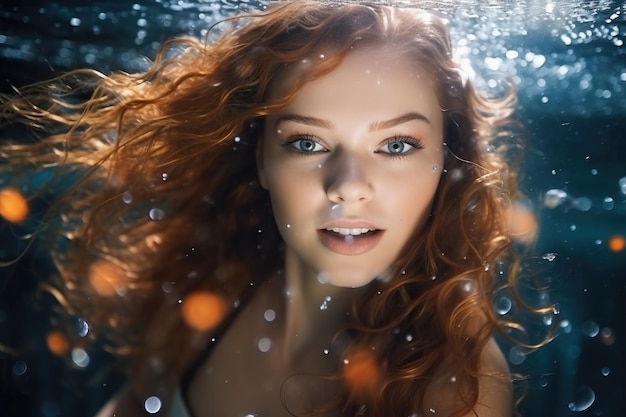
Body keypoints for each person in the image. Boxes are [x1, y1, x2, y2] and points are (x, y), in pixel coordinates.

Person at [0, 1, 546, 416]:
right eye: (307, 143)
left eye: (397, 145)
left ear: (445, 164)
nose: (348, 188)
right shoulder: (210, 290)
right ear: (262, 160)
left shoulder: (454, 384)